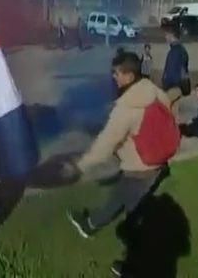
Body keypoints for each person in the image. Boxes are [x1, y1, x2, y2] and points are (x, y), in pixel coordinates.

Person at [67, 52, 176, 277]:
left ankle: (134, 268)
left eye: (116, 73)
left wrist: (79, 166)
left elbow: (104, 145)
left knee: (135, 222)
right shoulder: (154, 91)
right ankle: (90, 225)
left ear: (128, 75)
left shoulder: (126, 109)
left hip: (139, 168)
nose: (113, 77)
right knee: (118, 198)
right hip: (156, 164)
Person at [161, 28, 189, 122]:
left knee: (162, 107)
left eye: (166, 35)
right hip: (178, 85)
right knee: (174, 111)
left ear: (171, 36)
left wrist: (166, 84)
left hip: (173, 85)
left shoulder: (175, 52)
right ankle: (175, 132)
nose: (165, 37)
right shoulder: (181, 50)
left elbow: (171, 71)